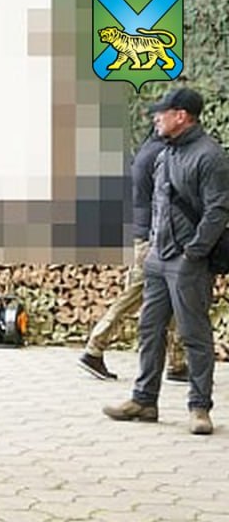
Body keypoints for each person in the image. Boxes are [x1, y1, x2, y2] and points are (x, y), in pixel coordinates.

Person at [104, 87, 229, 436]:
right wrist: (154, 249)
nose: (156, 117)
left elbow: (218, 210)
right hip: (158, 258)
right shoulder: (165, 152)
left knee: (194, 334)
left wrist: (194, 252)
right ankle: (144, 400)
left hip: (188, 261)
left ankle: (199, 408)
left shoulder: (210, 156)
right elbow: (159, 204)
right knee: (149, 329)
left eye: (163, 112)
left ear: (182, 116)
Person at [78, 133, 186, 382]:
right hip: (153, 238)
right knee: (133, 297)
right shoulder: (162, 154)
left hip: (146, 234)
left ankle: (177, 363)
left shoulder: (148, 150)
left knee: (172, 296)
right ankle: (94, 347)